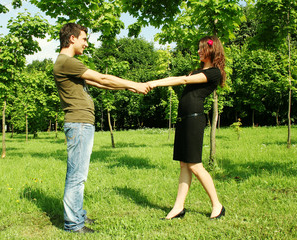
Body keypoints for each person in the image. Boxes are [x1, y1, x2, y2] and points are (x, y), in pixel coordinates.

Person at [53, 23, 149, 234]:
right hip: (78, 123)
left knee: (80, 174)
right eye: (84, 39)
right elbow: (103, 77)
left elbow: (101, 84)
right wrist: (135, 82)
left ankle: (77, 215)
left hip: (82, 123)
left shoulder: (70, 64)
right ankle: (73, 224)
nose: (86, 44)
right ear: (72, 39)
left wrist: (130, 87)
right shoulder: (66, 62)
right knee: (76, 176)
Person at [147, 36, 226, 220]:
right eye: (198, 49)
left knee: (195, 165)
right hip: (184, 120)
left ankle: (217, 205)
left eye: (202, 49)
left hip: (194, 120)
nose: (198, 52)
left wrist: (156, 83)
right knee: (184, 164)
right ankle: (178, 207)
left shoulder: (214, 72)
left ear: (212, 50)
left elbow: (182, 81)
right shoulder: (197, 71)